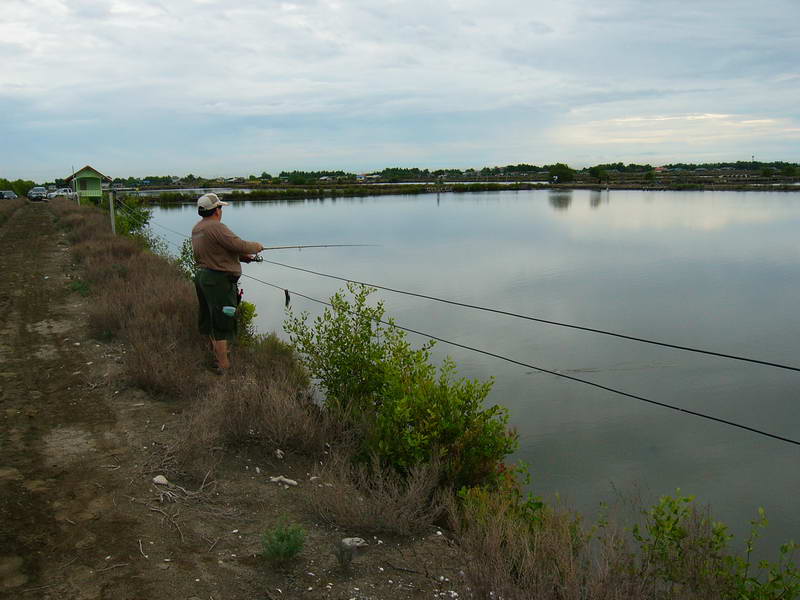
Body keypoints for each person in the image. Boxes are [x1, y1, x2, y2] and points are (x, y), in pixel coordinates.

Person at [191, 193, 264, 373]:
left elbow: (216, 251)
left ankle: (216, 359)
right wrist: (257, 247)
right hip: (218, 281)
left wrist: (242, 258)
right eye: (220, 207)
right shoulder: (217, 227)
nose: (221, 211)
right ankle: (223, 366)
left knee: (210, 319)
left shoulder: (198, 228)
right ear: (215, 210)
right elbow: (238, 244)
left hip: (203, 277)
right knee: (222, 321)